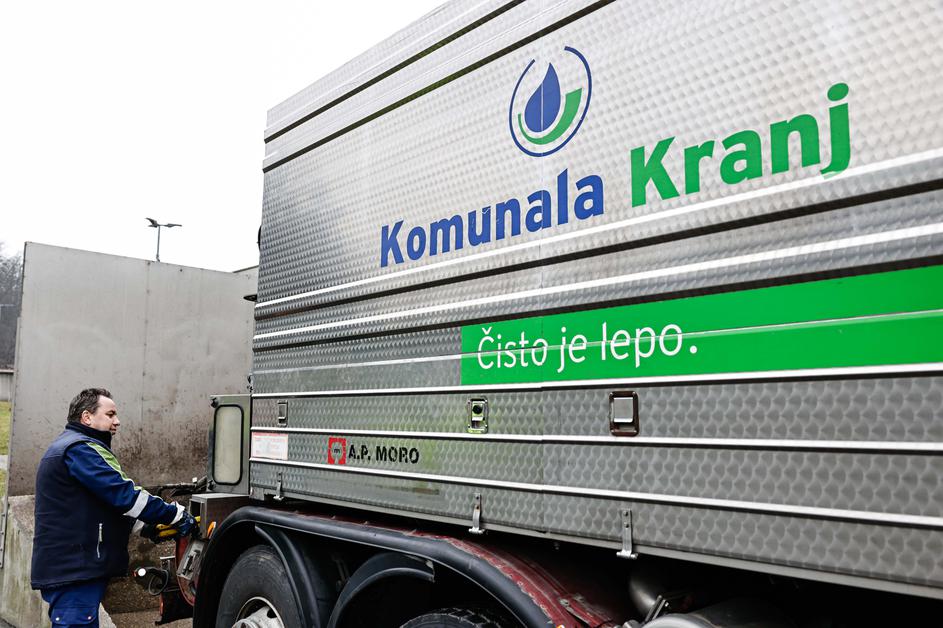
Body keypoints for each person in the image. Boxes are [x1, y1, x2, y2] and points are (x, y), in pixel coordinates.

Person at [31, 387, 197, 627]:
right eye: (110, 415)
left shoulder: (73, 447)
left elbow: (102, 504)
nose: (117, 421)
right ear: (87, 417)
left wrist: (145, 526)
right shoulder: (79, 450)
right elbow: (123, 495)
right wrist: (175, 515)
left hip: (74, 566)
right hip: (75, 568)